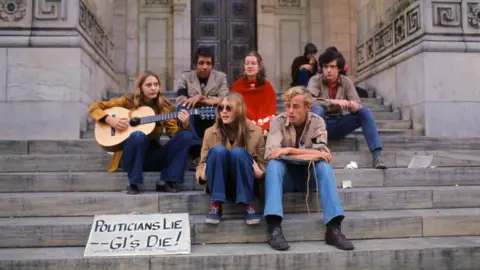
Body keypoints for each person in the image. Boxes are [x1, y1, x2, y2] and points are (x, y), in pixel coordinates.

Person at [263, 86, 354, 251]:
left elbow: (324, 154)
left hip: (309, 179)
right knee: (274, 165)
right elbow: (272, 153)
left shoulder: (317, 122)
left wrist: (289, 150)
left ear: (307, 108)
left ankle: (333, 229)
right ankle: (275, 228)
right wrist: (310, 154)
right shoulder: (277, 121)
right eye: (288, 105)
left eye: (296, 107)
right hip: (286, 179)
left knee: (324, 167)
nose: (290, 111)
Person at [88, 71, 195, 194]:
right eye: (148, 85)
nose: (153, 88)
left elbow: (174, 135)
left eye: (156, 84)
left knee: (186, 135)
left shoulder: (164, 107)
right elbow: (93, 107)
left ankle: (167, 181)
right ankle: (133, 183)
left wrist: (185, 124)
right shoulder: (128, 101)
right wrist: (110, 120)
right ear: (140, 88)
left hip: (153, 156)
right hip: (131, 156)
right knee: (138, 135)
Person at [307, 49, 386, 169]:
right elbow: (309, 101)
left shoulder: (346, 82)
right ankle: (315, 152)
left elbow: (358, 104)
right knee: (318, 109)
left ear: (339, 68)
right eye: (325, 66)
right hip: (320, 125)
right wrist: (333, 101)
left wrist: (354, 106)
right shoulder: (315, 80)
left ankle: (377, 155)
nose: (328, 70)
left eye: (332, 66)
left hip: (339, 123)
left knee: (364, 112)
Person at [196, 92, 266, 225]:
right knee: (217, 150)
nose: (223, 111)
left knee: (239, 152)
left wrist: (261, 172)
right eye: (220, 108)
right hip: (218, 181)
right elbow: (202, 163)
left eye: (229, 108)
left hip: (243, 180)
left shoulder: (256, 131)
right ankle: (216, 204)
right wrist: (202, 175)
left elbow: (262, 162)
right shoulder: (210, 132)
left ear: (239, 110)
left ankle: (247, 204)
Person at [176, 46, 229, 140]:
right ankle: (194, 142)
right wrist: (212, 100)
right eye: (201, 63)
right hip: (192, 119)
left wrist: (200, 98)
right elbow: (180, 100)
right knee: (182, 108)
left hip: (213, 118)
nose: (205, 67)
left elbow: (225, 100)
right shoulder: (185, 77)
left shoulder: (221, 77)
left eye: (208, 63)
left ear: (212, 65)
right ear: (195, 64)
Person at [231, 51, 277, 133]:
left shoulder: (267, 86)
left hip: (263, 125)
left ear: (259, 67)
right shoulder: (236, 86)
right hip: (242, 124)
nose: (249, 66)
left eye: (253, 63)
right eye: (247, 63)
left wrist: (259, 124)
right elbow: (234, 107)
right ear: (244, 67)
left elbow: (269, 108)